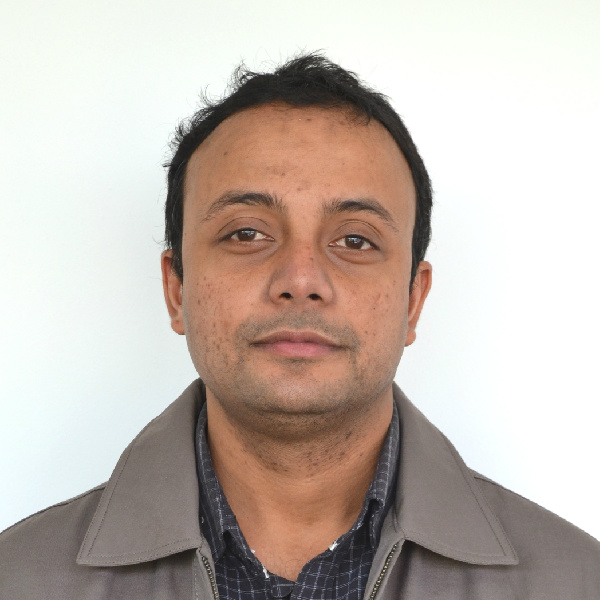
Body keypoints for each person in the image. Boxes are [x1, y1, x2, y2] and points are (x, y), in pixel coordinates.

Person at [1, 53, 598, 600]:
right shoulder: (18, 578)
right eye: (246, 233)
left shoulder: (576, 581)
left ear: (413, 302)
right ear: (176, 288)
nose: (301, 278)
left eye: (355, 240)